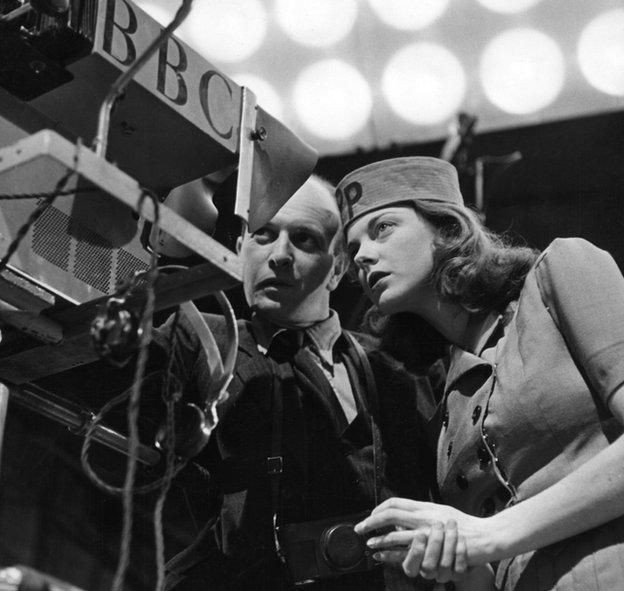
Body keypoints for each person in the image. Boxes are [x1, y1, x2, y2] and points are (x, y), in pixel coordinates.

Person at [335, 156, 624, 590]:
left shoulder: (560, 272)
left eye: (383, 228)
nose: (364, 255)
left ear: (447, 228)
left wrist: (489, 535)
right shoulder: (448, 402)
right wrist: (450, 556)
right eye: (353, 247)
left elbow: (492, 537)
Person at [156, 175, 439, 591]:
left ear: (339, 267)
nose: (279, 255)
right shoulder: (203, 336)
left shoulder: (394, 371)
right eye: (263, 236)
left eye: (304, 239)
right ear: (239, 252)